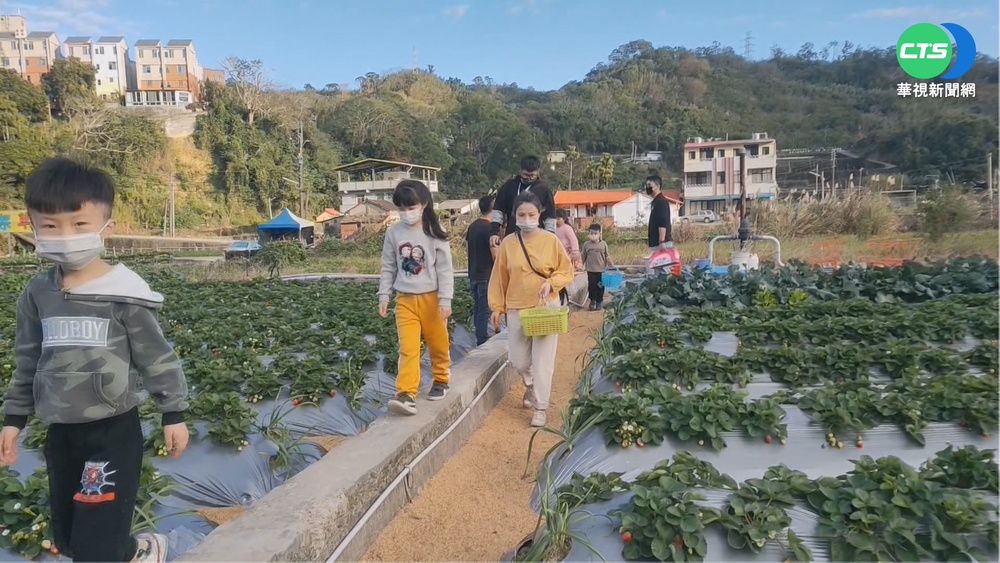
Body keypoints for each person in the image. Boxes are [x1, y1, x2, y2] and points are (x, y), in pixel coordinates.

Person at [0, 157, 189, 563]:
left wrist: (173, 412)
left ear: (107, 226)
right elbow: (28, 358)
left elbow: (155, 356)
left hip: (112, 430)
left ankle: (129, 551)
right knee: (69, 536)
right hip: (61, 433)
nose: (64, 235)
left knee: (94, 542)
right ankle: (138, 550)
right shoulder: (37, 294)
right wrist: (14, 420)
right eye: (50, 226)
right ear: (33, 227)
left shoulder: (123, 294)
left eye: (79, 224)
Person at [488, 191, 574, 428]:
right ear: (514, 215)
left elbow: (566, 271)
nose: (526, 218)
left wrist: (551, 283)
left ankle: (540, 407)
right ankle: (531, 386)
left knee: (542, 360)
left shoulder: (550, 240)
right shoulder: (508, 244)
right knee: (519, 360)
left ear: (540, 214)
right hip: (516, 308)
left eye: (531, 214)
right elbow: (499, 278)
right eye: (521, 214)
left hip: (545, 308)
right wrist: (496, 307)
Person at [378, 179, 455, 416]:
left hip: (432, 300)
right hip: (405, 300)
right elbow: (388, 266)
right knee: (408, 348)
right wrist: (384, 294)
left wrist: (445, 300)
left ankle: (441, 379)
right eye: (401, 208)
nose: (406, 213)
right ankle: (406, 393)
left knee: (437, 343)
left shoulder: (433, 233)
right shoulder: (393, 233)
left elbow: (445, 270)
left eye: (410, 207)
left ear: (424, 205)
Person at [489, 156, 557, 249]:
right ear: (521, 171)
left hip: (537, 239)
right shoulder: (509, 187)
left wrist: (550, 236)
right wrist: (494, 232)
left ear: (538, 172)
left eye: (532, 175)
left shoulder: (544, 190)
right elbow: (498, 210)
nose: (529, 178)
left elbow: (550, 216)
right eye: (526, 175)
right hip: (512, 236)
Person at [465, 195, 498, 346]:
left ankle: (480, 336)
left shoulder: (472, 226)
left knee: (478, 307)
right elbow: (495, 254)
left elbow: (468, 249)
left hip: (473, 273)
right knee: (485, 309)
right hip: (486, 274)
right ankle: (482, 339)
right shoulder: (491, 228)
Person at [645, 175, 674, 276]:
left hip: (662, 243)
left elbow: (662, 221)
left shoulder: (661, 201)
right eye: (646, 185)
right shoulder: (656, 202)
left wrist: (662, 241)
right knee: (659, 273)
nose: (647, 187)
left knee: (665, 272)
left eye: (649, 185)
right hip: (658, 243)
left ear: (657, 186)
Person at [582, 223, 614, 310]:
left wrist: (610, 262)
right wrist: (580, 265)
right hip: (591, 270)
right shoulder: (586, 245)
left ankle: (599, 302)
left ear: (599, 234)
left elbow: (607, 255)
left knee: (600, 287)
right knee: (591, 286)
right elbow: (583, 256)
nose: (593, 235)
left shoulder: (603, 244)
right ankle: (592, 301)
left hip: (601, 270)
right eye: (591, 233)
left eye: (595, 233)